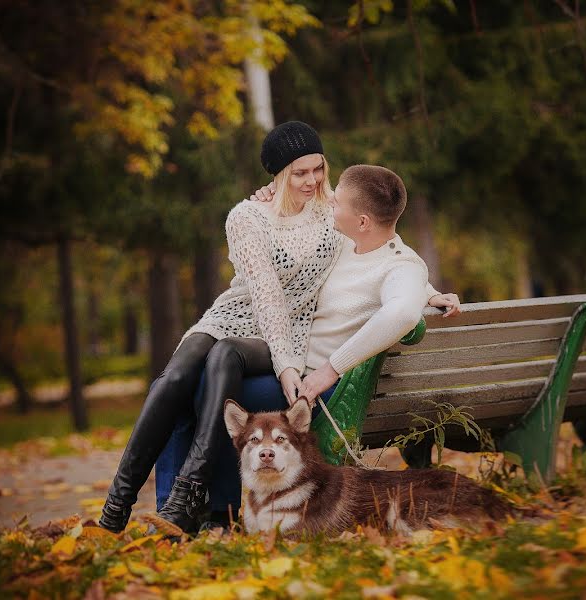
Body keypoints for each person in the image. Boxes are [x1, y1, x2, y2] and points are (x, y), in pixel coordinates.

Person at [155, 164, 461, 531]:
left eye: (339, 200)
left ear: (362, 220)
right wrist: (272, 195)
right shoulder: (346, 241)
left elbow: (402, 311)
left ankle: (218, 516)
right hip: (288, 364)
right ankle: (177, 513)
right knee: (190, 384)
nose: (329, 200)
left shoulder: (403, 267)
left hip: (319, 386)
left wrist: (331, 368)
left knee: (202, 389)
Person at [99, 121, 340, 534]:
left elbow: (384, 247)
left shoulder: (335, 212)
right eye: (299, 173)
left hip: (282, 332)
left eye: (317, 168)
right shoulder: (247, 217)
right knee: (173, 378)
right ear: (278, 175)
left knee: (226, 352)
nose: (311, 180)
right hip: (231, 316)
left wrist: (427, 292)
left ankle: (189, 489)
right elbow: (261, 292)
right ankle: (115, 508)